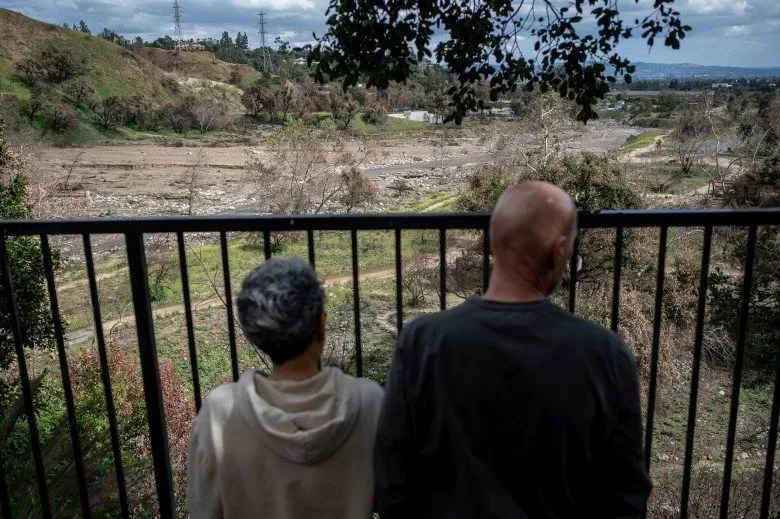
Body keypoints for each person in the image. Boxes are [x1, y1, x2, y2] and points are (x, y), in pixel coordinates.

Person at [374, 181, 652, 518]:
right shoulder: (605, 354)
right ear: (559, 251)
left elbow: (394, 476)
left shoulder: (421, 343)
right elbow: (626, 493)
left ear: (493, 241)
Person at [188, 258, 384, 519]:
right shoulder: (370, 403)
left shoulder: (220, 416)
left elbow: (203, 510)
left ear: (253, 333)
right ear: (320, 325)